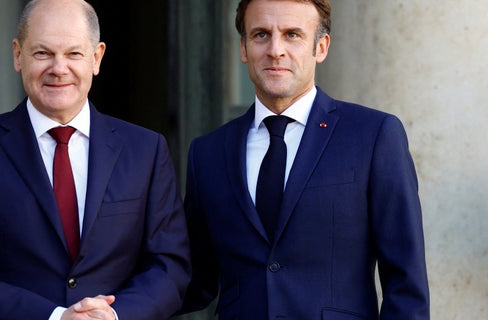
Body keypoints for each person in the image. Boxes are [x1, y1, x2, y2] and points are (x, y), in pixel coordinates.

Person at [0, 0, 190, 319]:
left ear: (96, 57)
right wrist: (54, 317)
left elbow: (169, 267)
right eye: (42, 53)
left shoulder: (146, 150)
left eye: (73, 53)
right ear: (17, 55)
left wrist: (116, 315)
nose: (58, 68)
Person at [180, 0, 429, 319]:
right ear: (243, 47)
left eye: (292, 34)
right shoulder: (208, 152)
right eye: (260, 35)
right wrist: (118, 304)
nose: (275, 50)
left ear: (321, 47)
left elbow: (406, 284)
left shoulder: (374, 135)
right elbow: (193, 278)